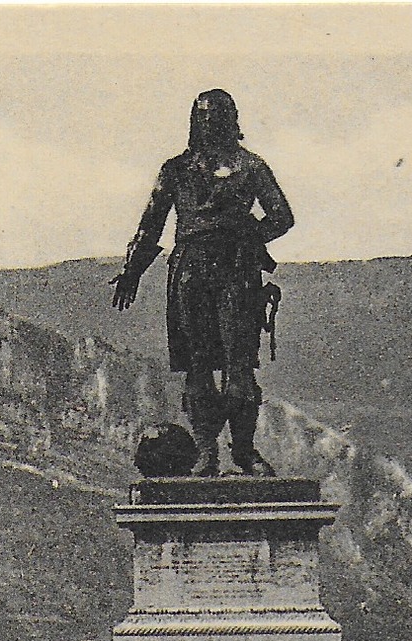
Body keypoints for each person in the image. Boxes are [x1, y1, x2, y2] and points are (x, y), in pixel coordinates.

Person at [111, 89, 294, 478]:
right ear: (195, 120)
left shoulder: (251, 167)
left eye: (220, 114)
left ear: (233, 119)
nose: (212, 121)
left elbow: (281, 216)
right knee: (197, 367)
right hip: (190, 270)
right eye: (204, 115)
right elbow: (151, 223)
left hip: (237, 271)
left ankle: (243, 451)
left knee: (240, 366)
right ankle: (207, 452)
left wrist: (248, 239)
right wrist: (132, 270)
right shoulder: (175, 169)